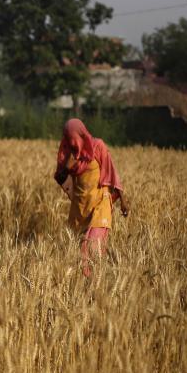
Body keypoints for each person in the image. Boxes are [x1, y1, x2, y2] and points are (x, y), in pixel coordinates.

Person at [53, 118, 130, 276]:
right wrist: (67, 166)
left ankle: (97, 285)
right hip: (80, 207)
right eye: (67, 137)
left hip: (100, 204)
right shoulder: (67, 152)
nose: (70, 140)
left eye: (72, 136)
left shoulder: (97, 146)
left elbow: (112, 172)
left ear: (80, 134)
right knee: (79, 255)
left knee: (90, 247)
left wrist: (123, 201)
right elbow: (60, 177)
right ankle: (91, 287)